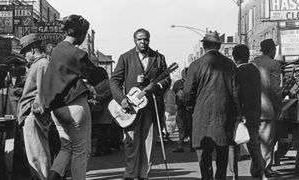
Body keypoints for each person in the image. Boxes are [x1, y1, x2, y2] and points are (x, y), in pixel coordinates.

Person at [40, 15, 108, 180]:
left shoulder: (56, 50)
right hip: (75, 105)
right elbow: (97, 76)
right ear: (82, 34)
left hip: (56, 109)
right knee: (81, 151)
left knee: (66, 148)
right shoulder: (77, 53)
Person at [110, 28, 171, 180]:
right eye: (140, 39)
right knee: (131, 143)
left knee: (148, 144)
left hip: (151, 108)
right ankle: (130, 175)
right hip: (131, 109)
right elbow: (114, 81)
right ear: (134, 40)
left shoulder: (158, 58)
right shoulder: (125, 58)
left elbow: (167, 79)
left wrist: (157, 87)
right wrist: (122, 99)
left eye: (146, 39)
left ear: (149, 40)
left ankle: (144, 175)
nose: (143, 42)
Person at [183, 31, 244, 180]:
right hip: (224, 115)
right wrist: (239, 113)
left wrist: (190, 106)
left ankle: (206, 177)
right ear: (219, 46)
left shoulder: (196, 65)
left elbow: (187, 93)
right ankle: (220, 177)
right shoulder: (229, 64)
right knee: (222, 152)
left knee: (204, 155)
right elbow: (236, 92)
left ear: (204, 46)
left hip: (202, 115)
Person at [228, 44, 267, 180]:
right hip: (254, 111)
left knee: (233, 144)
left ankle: (234, 175)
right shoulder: (255, 70)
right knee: (253, 143)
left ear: (234, 57)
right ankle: (260, 171)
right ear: (247, 56)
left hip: (238, 113)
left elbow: (236, 94)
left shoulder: (235, 71)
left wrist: (239, 113)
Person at [18, 33, 52, 180]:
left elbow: (42, 91)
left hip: (33, 115)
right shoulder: (40, 64)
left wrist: (35, 109)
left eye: (25, 52)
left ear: (32, 50)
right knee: (36, 155)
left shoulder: (42, 64)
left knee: (38, 156)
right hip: (32, 114)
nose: (25, 56)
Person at [251, 39, 282, 178]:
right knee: (266, 143)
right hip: (267, 109)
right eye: (274, 51)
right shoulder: (274, 64)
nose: (275, 53)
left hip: (252, 110)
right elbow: (275, 90)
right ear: (270, 50)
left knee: (255, 142)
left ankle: (256, 168)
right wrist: (279, 107)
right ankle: (265, 170)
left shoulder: (253, 63)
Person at [172, 67, 194, 152]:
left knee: (191, 126)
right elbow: (175, 94)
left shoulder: (193, 82)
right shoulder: (178, 83)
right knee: (181, 127)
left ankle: (191, 145)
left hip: (190, 108)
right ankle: (180, 146)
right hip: (181, 108)